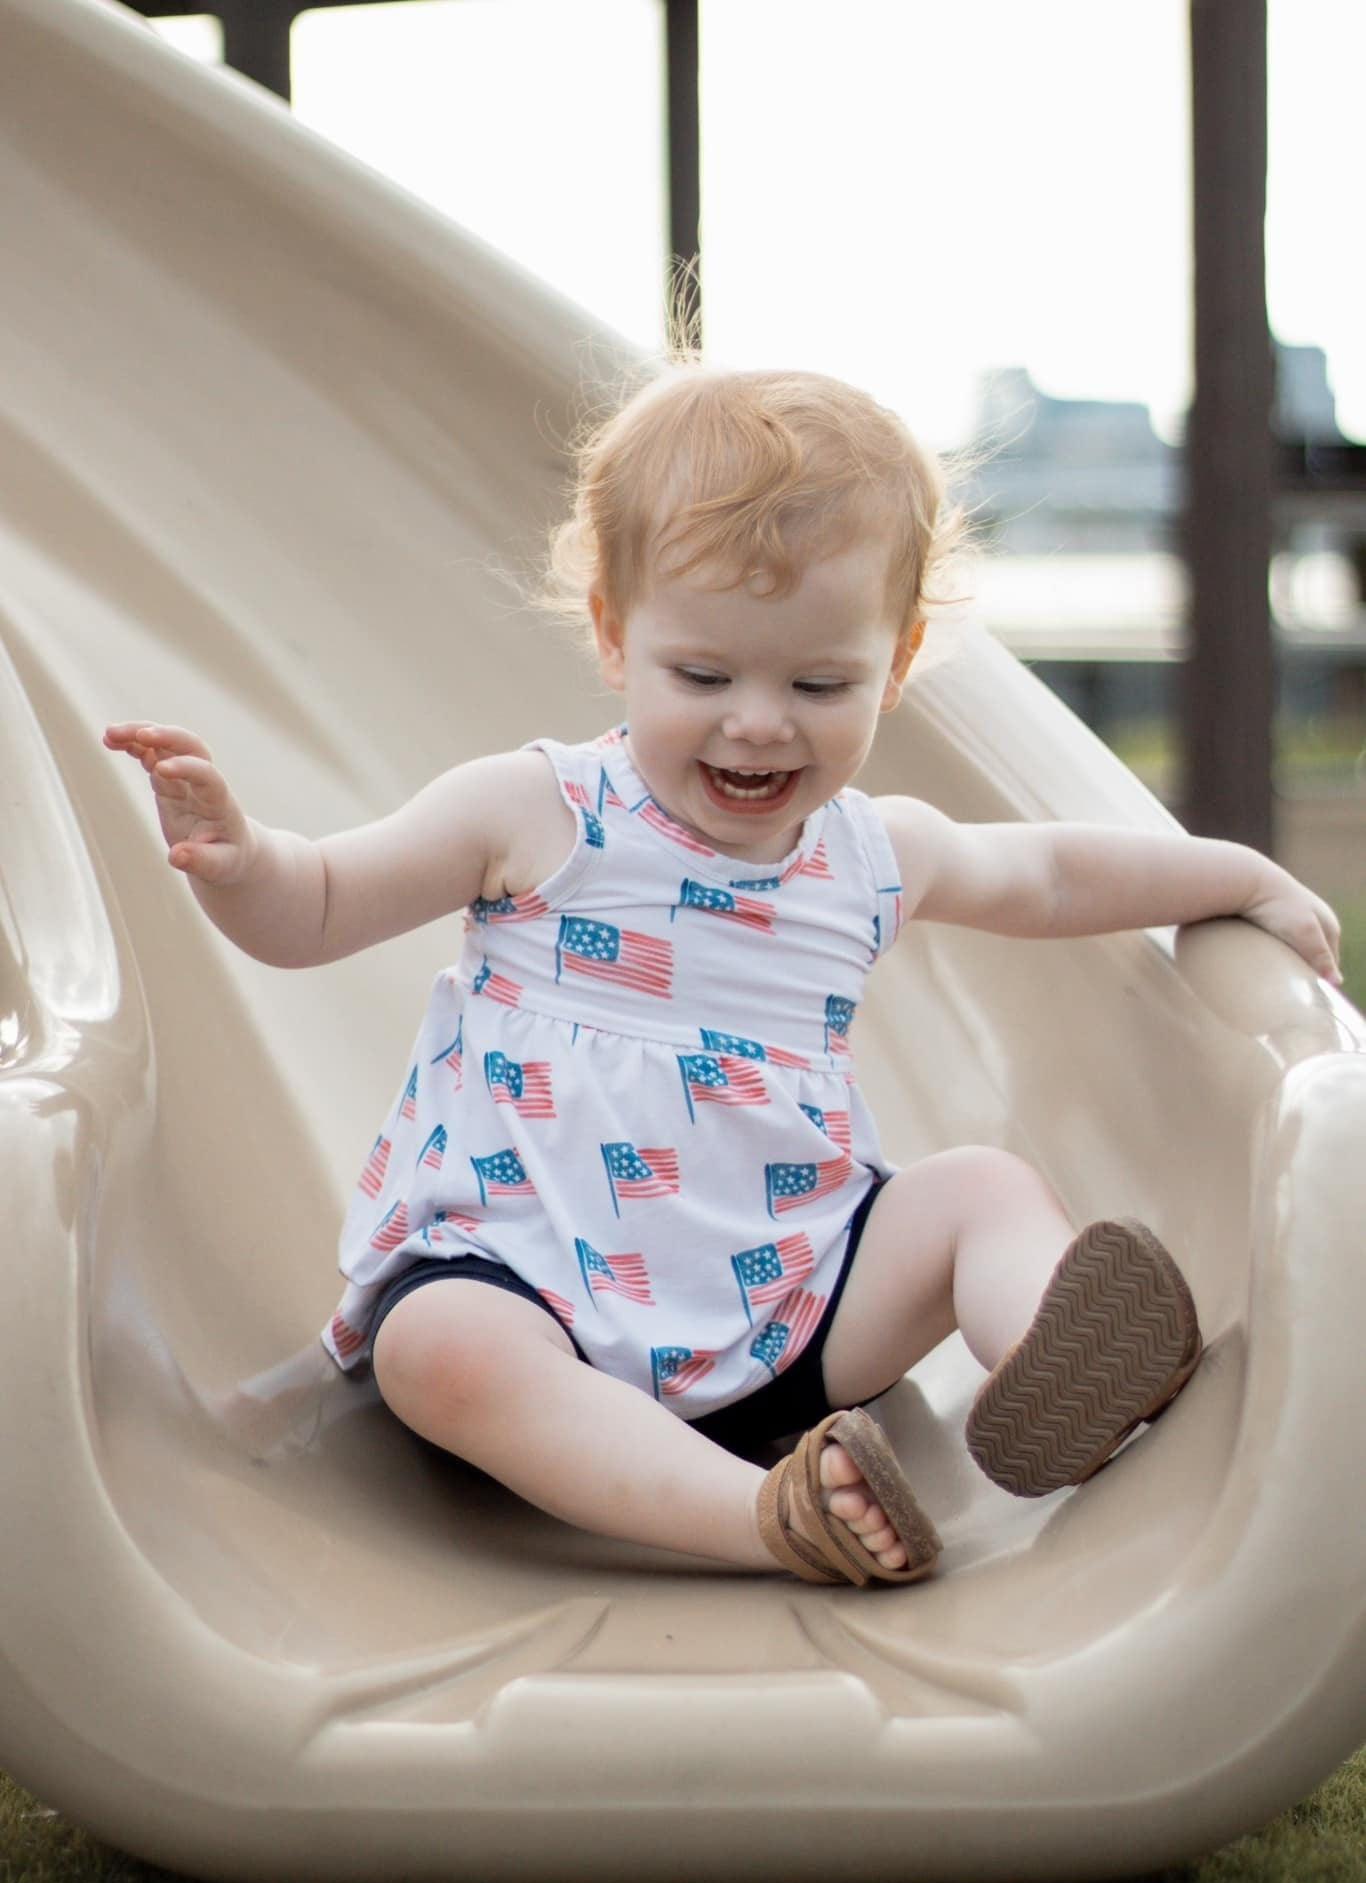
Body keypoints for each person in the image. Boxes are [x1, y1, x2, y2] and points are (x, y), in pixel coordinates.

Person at [104, 362, 1344, 1590]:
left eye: (820, 683)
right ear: (613, 634)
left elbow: (1052, 879)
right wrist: (241, 856)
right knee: (435, 1349)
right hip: (538, 1297)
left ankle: (1068, 1369)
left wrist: (1228, 874)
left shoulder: (870, 853)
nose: (760, 722)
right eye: (704, 676)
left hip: (791, 1308)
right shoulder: (537, 812)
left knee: (979, 1190)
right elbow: (317, 906)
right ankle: (770, 1515)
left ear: (897, 661)